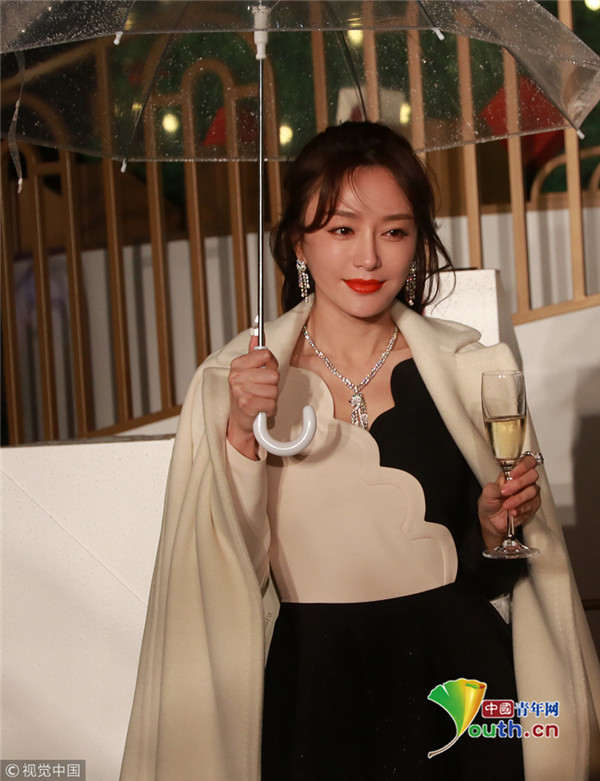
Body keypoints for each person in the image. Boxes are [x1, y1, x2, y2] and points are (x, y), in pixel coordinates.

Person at [120, 122, 600, 781]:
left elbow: (489, 579)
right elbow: (222, 577)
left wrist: (494, 530)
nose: (369, 258)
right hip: (313, 692)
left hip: (458, 686)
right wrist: (241, 434)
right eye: (342, 229)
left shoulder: (467, 370)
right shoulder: (237, 382)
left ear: (417, 241)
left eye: (394, 231)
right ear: (299, 243)